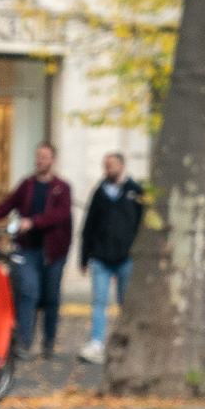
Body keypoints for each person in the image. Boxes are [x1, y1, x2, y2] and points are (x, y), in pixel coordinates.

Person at [0, 141, 73, 357]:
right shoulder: (27, 184)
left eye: (44, 157)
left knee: (50, 298)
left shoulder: (62, 188)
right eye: (37, 156)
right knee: (27, 293)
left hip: (53, 252)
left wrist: (34, 221)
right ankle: (24, 343)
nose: (39, 160)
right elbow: (7, 205)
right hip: (27, 249)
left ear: (52, 160)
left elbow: (60, 214)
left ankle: (49, 342)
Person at [75, 151, 143, 366]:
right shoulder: (99, 193)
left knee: (126, 302)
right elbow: (88, 227)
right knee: (99, 302)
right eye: (106, 166)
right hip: (100, 258)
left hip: (126, 258)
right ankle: (97, 343)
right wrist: (84, 258)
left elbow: (143, 224)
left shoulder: (135, 191)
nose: (108, 169)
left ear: (122, 166)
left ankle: (127, 342)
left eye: (112, 165)